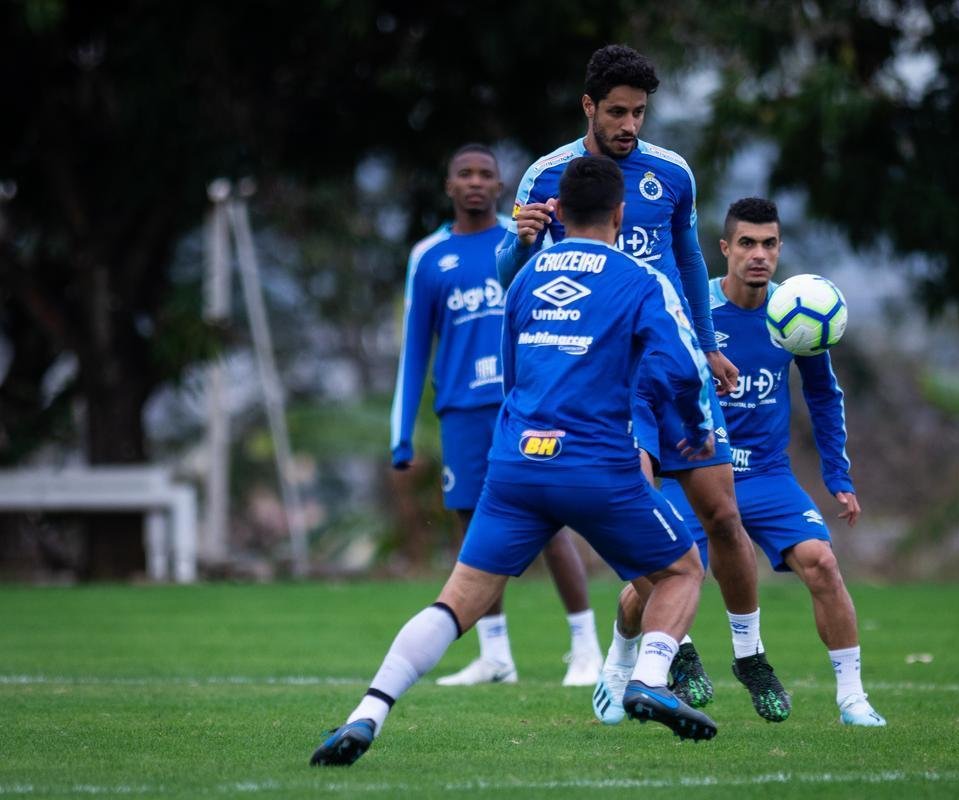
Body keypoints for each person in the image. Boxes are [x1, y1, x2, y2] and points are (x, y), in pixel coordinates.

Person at [312, 155, 720, 767]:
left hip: (515, 464)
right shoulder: (641, 279)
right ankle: (650, 678)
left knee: (456, 601)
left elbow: (511, 372)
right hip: (597, 466)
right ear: (619, 212)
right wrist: (692, 430)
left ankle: (367, 712)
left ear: (557, 211)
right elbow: (684, 368)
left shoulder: (524, 278)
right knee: (683, 569)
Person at [496, 44, 787, 722]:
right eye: (617, 112)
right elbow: (510, 283)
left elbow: (688, 261)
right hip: (608, 385)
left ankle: (748, 654)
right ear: (589, 107)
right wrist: (516, 242)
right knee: (643, 526)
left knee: (723, 516)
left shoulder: (670, 174)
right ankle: (667, 652)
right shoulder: (546, 178)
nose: (629, 126)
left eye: (639, 113)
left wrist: (709, 347)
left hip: (678, 372)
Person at [597, 197, 887, 727]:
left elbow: (824, 396)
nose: (759, 255)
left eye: (770, 244)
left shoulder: (797, 313)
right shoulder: (689, 308)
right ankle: (618, 661)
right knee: (657, 579)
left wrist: (837, 477)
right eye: (748, 243)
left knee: (822, 564)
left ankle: (852, 699)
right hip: (696, 474)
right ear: (725, 248)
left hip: (768, 476)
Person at [389, 143, 601, 687]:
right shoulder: (430, 258)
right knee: (471, 528)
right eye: (466, 173)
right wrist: (402, 437)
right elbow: (416, 351)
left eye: (487, 173)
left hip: (524, 404)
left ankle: (586, 648)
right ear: (449, 186)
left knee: (546, 519)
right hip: (461, 410)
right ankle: (494, 655)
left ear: (503, 185)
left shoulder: (528, 238)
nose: (477, 182)